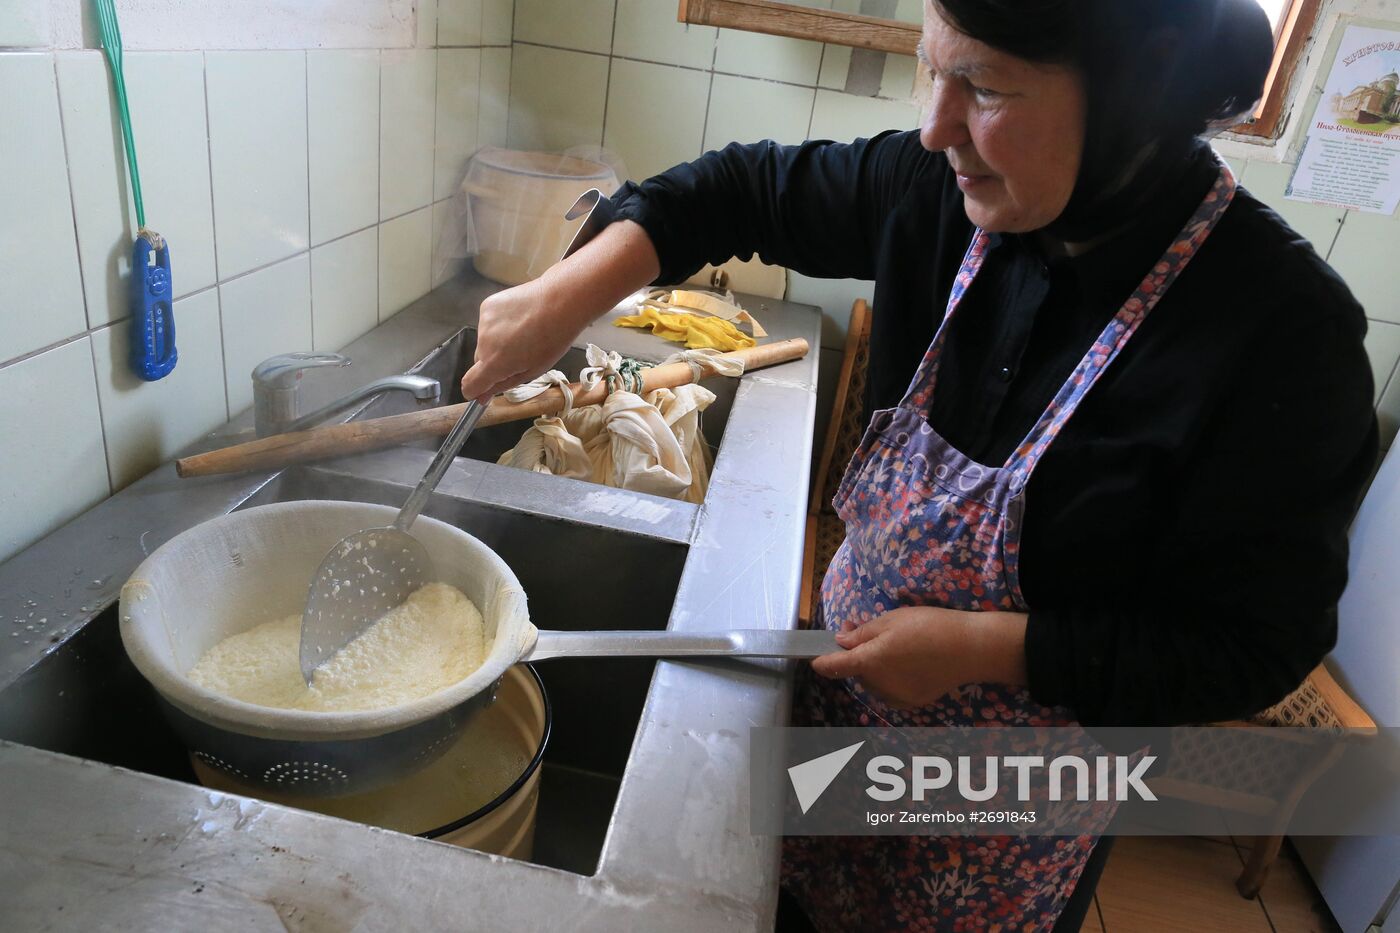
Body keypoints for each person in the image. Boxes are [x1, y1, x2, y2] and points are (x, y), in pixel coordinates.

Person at [460, 0, 1378, 928]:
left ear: (1139, 89)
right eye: (933, 70)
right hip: (843, 709)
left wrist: (990, 648)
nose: (937, 129)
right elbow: (735, 191)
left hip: (1007, 807)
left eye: (982, 87)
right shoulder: (939, 187)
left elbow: (1254, 645)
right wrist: (566, 293)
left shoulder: (1284, 334)